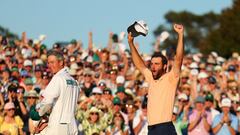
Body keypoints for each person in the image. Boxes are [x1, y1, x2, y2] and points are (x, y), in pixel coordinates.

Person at [127, 23, 184, 135]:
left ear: (165, 66)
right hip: (151, 129)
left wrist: (181, 35)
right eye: (152, 63)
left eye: (157, 64)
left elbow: (179, 59)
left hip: (165, 128)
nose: (153, 66)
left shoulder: (171, 78)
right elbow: (140, 65)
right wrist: (130, 43)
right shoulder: (151, 78)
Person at [30, 50, 80, 135]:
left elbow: (47, 102)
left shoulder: (58, 78)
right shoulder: (74, 81)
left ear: (61, 62)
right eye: (48, 63)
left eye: (52, 62)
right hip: (72, 126)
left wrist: (38, 113)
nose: (49, 65)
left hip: (58, 127)